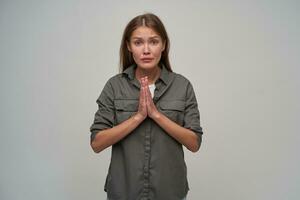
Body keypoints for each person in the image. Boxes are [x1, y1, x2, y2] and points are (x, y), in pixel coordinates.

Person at [90, 13, 203, 200]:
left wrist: (156, 115)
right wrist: (138, 117)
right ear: (128, 46)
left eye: (153, 41)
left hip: (170, 192)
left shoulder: (182, 86)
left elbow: (194, 143)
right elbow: (97, 143)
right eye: (138, 42)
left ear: (164, 45)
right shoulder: (114, 86)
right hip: (124, 192)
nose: (146, 50)